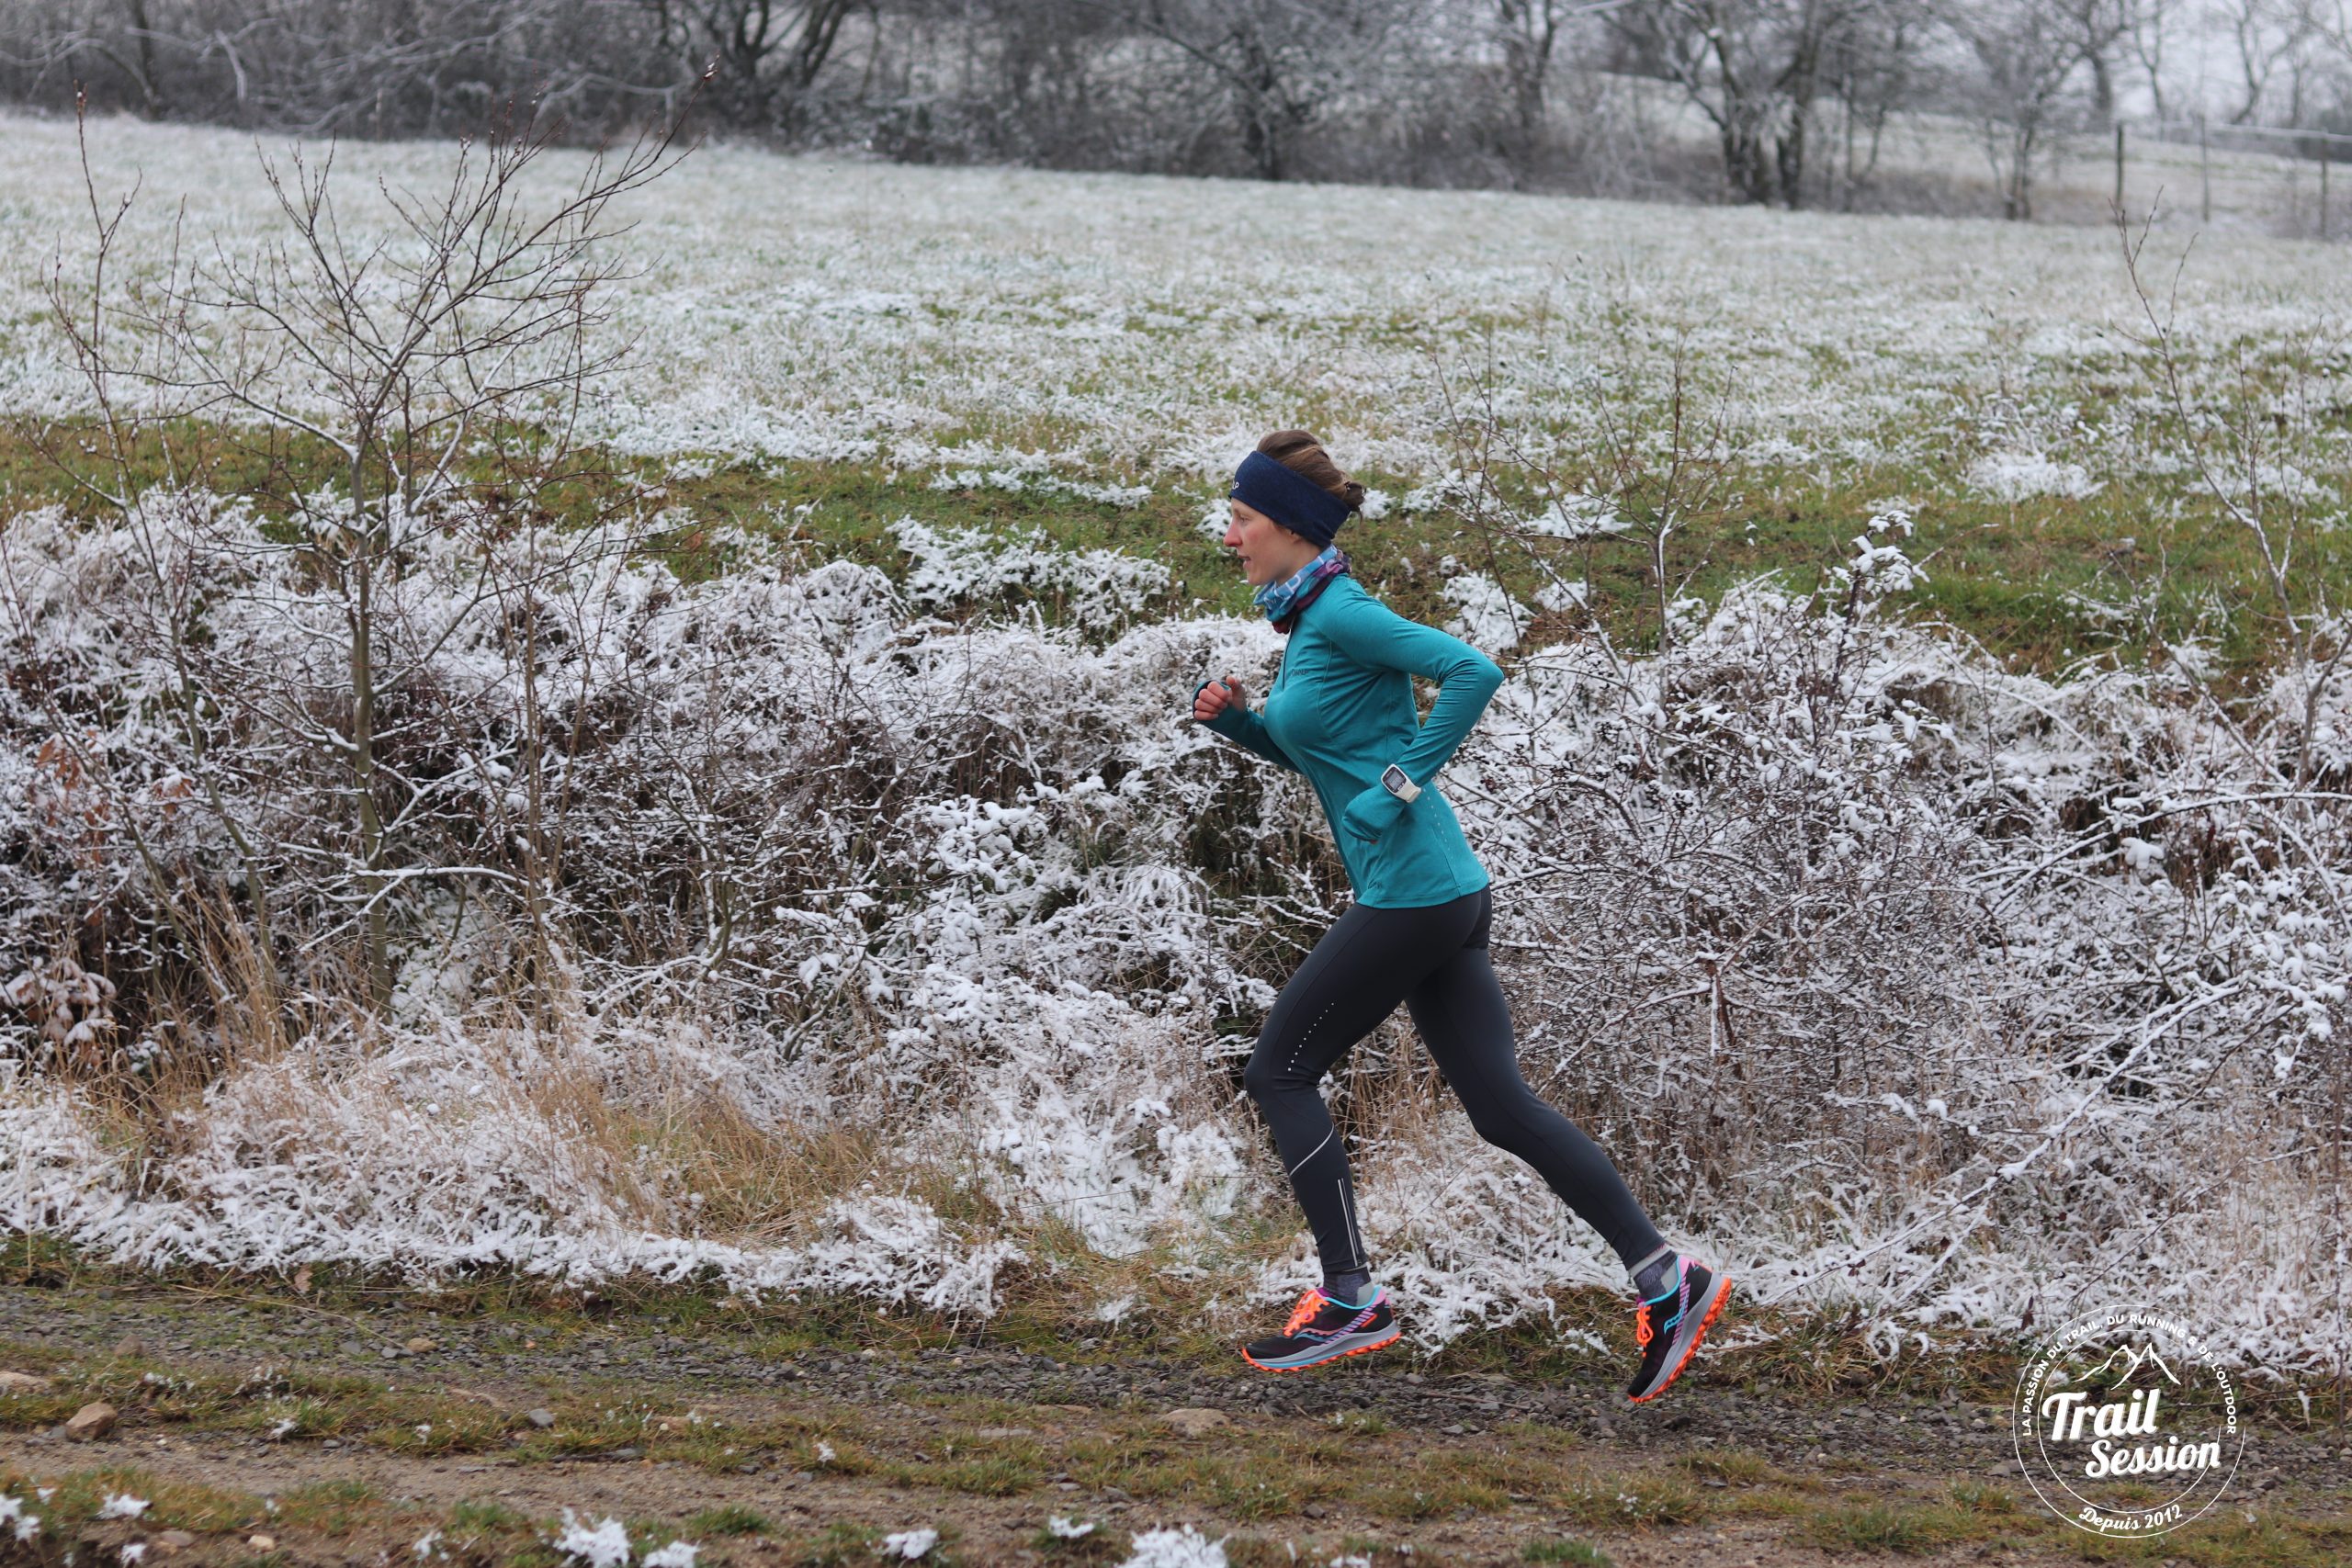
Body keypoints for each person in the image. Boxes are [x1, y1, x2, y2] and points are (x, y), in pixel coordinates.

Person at [1189, 430, 1730, 1404]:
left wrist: (1399, 784)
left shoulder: (1346, 614)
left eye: (1240, 518)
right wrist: (1241, 724)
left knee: (1278, 1069)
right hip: (1438, 890)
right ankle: (1667, 1279)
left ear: (1289, 529)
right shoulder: (1312, 627)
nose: (1228, 535)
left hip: (1413, 894)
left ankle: (1351, 1298)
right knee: (1499, 1106)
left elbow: (1474, 671)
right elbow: (1316, 754)